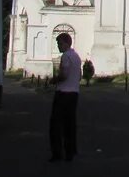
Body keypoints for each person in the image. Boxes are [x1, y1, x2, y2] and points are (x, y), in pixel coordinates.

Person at [49, 32, 81, 163]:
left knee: (56, 124)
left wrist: (54, 80)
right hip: (74, 92)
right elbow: (79, 76)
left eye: (60, 43)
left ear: (67, 43)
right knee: (70, 123)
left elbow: (64, 74)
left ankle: (57, 153)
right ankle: (71, 151)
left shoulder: (66, 56)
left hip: (63, 92)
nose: (58, 46)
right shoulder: (77, 57)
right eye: (58, 43)